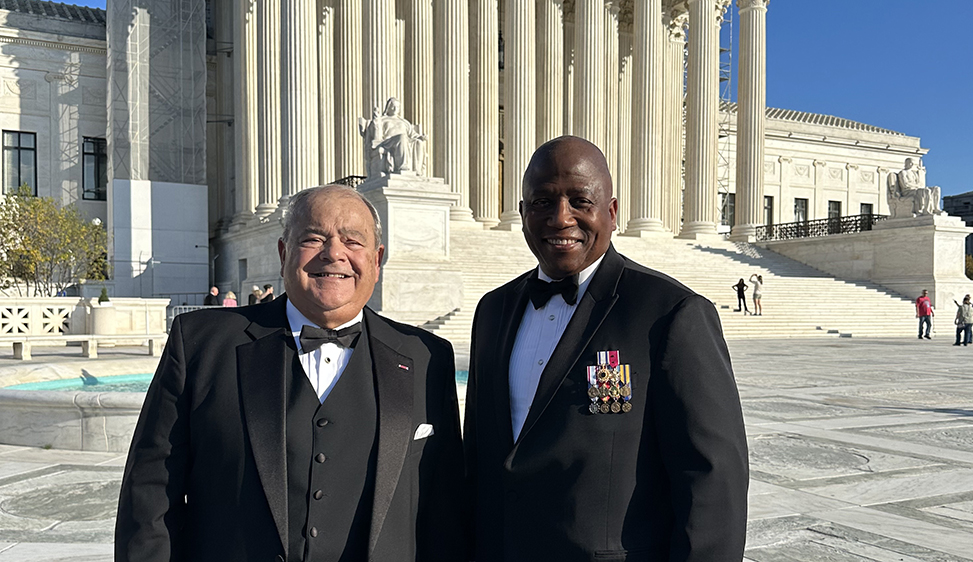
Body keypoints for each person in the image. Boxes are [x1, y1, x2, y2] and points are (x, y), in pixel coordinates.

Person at [116, 185, 466, 562]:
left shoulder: (427, 357)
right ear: (284, 252)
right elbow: (150, 494)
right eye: (314, 238)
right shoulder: (202, 344)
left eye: (352, 241)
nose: (334, 254)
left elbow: (443, 510)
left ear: (377, 259)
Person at [464, 136, 749, 561]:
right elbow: (481, 453)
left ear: (611, 213)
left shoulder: (669, 313)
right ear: (523, 214)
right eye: (542, 202)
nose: (561, 219)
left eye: (580, 201)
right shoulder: (493, 310)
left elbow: (712, 475)